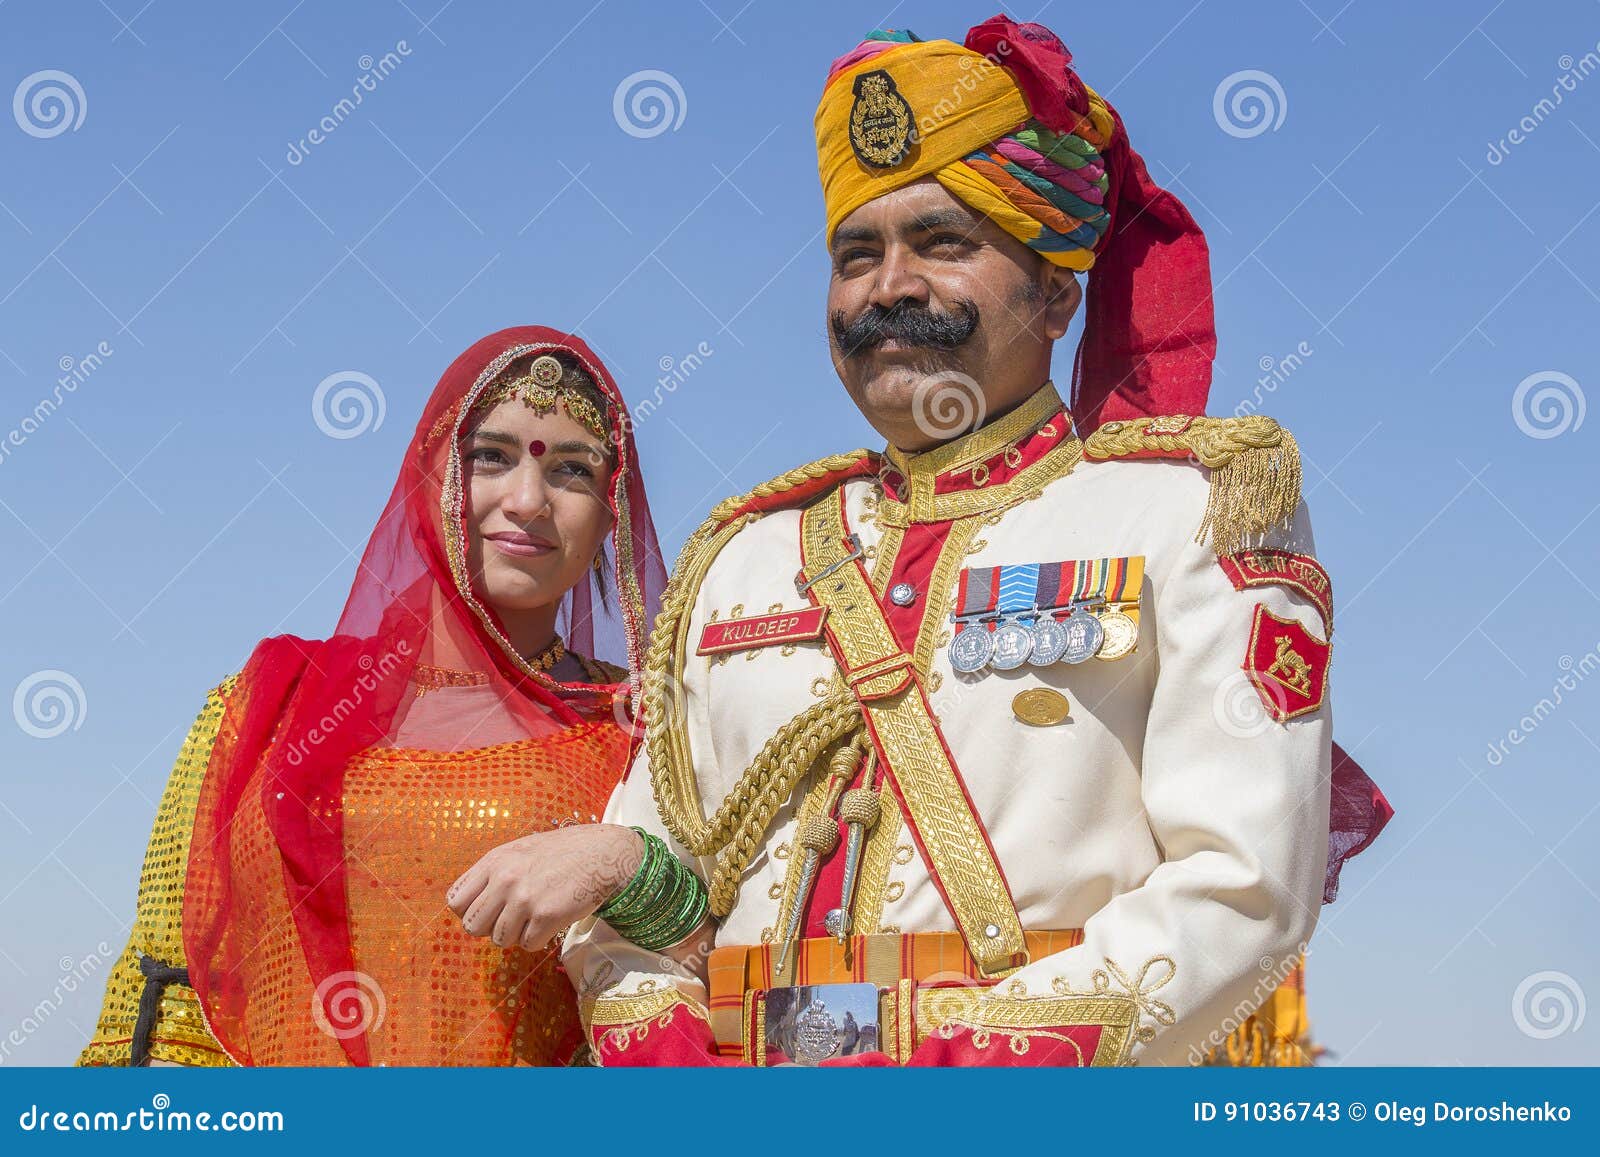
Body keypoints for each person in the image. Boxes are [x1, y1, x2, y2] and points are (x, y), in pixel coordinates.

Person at [563, 18, 1391, 1067]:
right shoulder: (741, 556)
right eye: (854, 255)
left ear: (1055, 294)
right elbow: (652, 856)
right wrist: (659, 1043)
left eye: (942, 244)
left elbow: (1240, 886)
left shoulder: (1189, 513)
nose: (887, 286)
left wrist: (948, 1075)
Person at [78, 325, 679, 1066]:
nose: (527, 500)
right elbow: (165, 997)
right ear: (430, 478)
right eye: (490, 456)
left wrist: (622, 862)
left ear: (610, 512)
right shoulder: (265, 706)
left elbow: (718, 951)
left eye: (572, 471)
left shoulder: (645, 731)